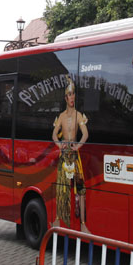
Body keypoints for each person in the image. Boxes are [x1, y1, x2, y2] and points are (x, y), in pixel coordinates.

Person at [51, 77, 89, 231]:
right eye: (70, 95)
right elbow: (54, 134)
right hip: (64, 155)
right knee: (61, 188)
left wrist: (78, 146)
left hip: (74, 156)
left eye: (73, 95)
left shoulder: (79, 115)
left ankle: (83, 224)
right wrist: (59, 145)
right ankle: (58, 220)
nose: (72, 97)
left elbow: (85, 134)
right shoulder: (61, 116)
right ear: (65, 98)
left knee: (81, 189)